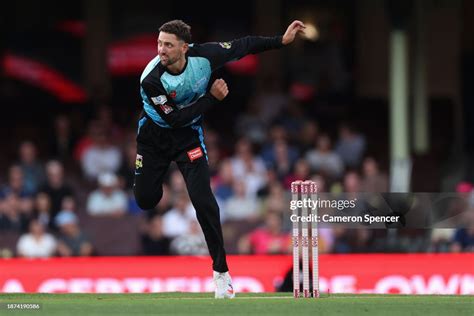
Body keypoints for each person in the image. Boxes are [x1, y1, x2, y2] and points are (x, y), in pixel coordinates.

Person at [134, 19, 305, 299]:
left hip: (188, 138)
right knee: (146, 200)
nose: (160, 50)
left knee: (204, 202)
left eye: (167, 45)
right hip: (154, 138)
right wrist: (212, 99)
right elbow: (174, 118)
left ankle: (221, 273)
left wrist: (281, 40)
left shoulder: (205, 56)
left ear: (184, 48)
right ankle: (152, 178)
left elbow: (244, 45)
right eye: (159, 43)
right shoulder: (151, 79)